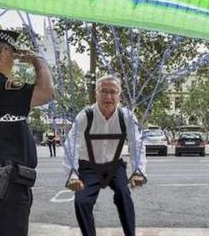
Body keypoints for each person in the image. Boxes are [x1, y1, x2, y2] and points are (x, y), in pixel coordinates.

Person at [0, 28, 54, 235]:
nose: (13, 61)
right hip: (2, 188)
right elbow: (46, 93)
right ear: (3, 53)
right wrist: (38, 61)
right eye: (12, 55)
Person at [63, 75, 147, 236]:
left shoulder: (127, 117)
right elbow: (71, 145)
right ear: (96, 94)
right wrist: (72, 175)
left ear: (119, 95)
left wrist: (138, 170)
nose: (108, 97)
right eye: (104, 91)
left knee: (124, 195)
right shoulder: (85, 116)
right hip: (88, 167)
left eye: (113, 92)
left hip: (115, 166)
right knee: (81, 201)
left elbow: (137, 144)